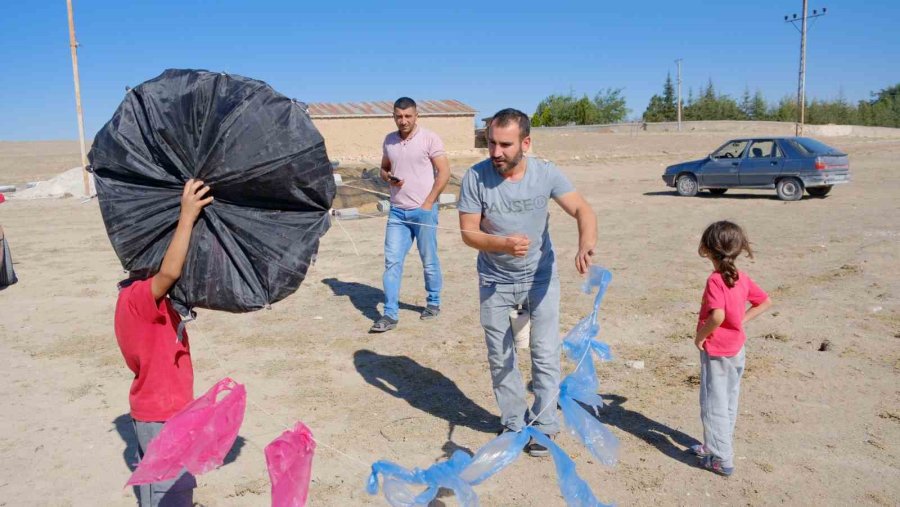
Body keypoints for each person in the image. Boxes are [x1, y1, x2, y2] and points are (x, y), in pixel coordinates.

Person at [457, 108, 597, 457]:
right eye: (490, 143)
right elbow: (469, 234)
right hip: (495, 281)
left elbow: (583, 210)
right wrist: (501, 244)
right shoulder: (474, 178)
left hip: (540, 278)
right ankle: (514, 423)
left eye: (505, 144)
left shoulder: (546, 173)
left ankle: (545, 426)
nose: (495, 152)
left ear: (526, 143)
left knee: (545, 354)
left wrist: (585, 243)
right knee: (500, 356)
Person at [115, 179, 213, 506]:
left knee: (157, 488)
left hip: (160, 413)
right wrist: (186, 215)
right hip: (163, 417)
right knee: (170, 492)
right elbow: (170, 272)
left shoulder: (144, 301)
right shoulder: (138, 298)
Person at [692, 220, 772, 476]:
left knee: (713, 402)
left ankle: (721, 459)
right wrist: (740, 321)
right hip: (737, 350)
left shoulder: (715, 280)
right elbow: (765, 301)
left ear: (706, 248)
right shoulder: (741, 277)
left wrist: (701, 337)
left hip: (717, 351)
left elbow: (717, 315)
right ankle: (714, 444)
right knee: (728, 399)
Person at [370, 97, 451, 333]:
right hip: (397, 212)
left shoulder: (430, 138)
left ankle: (433, 302)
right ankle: (390, 314)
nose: (403, 121)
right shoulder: (389, 141)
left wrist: (428, 203)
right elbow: (384, 169)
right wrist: (388, 177)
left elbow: (444, 173)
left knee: (429, 259)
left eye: (408, 116)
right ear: (393, 116)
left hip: (423, 212)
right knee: (392, 261)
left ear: (416, 116)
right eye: (399, 116)